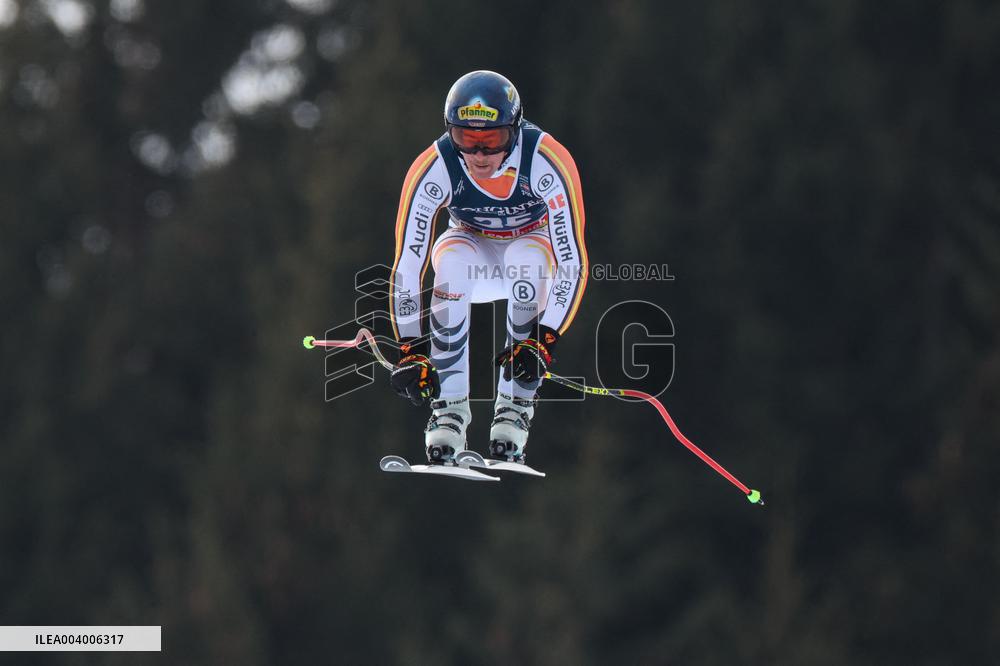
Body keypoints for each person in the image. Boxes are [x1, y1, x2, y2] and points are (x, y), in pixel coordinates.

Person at [387, 70, 587, 465]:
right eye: (466, 139)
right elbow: (408, 266)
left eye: (491, 141)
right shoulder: (436, 165)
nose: (479, 155)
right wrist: (411, 348)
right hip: (472, 250)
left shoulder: (546, 160)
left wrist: (544, 340)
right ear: (450, 132)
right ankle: (448, 413)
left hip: (532, 251)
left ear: (513, 130)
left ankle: (515, 412)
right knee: (452, 262)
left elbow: (573, 264)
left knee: (527, 259)